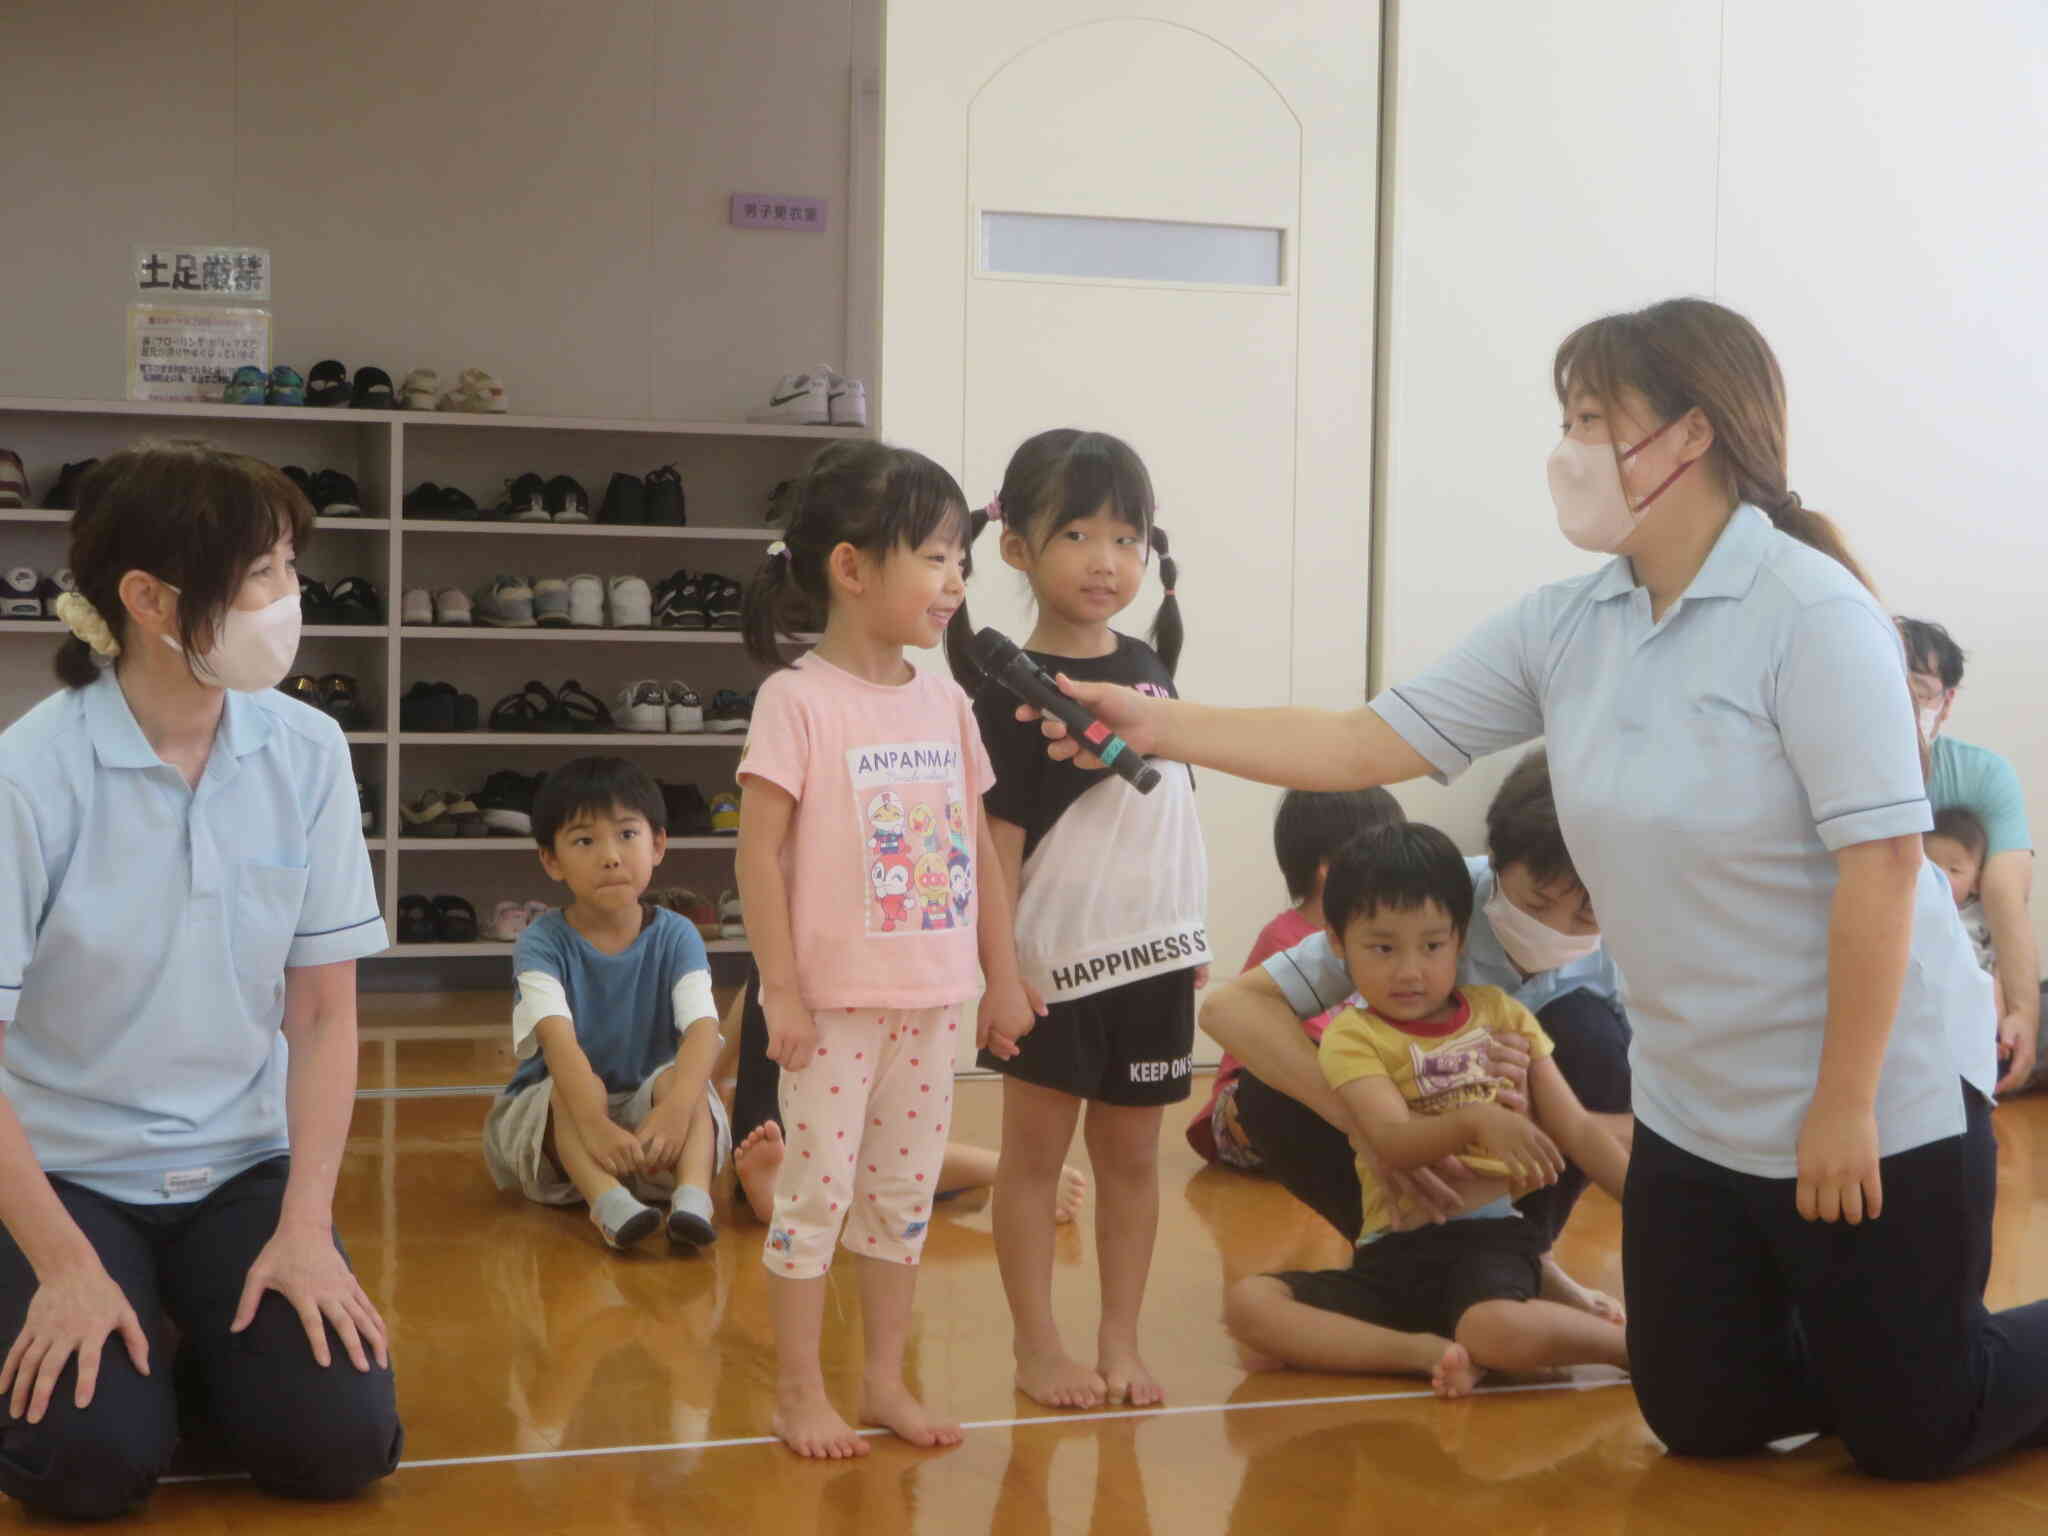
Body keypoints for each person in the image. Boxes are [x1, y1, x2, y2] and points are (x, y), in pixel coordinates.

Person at [1026, 298, 2048, 1480]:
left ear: (1689, 437)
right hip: (1701, 1107)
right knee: (1701, 1416)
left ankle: (1900, 1370)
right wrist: (1154, 720)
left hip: (1869, 1092)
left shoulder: (1812, 618)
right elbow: (1362, 743)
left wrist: (1844, 1104)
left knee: (1916, 1435)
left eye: (1590, 418)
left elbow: (1879, 868)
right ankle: (1871, 1354)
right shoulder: (1574, 625)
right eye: (1564, 417)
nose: (1566, 449)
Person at [0, 444, 400, 1520]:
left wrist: (307, 1227)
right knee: (86, 1469)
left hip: (239, 1165)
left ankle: (197, 1351)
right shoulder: (28, 776)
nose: (287, 598)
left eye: (287, 569)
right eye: (261, 572)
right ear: (147, 598)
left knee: (339, 1444)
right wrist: (62, 1266)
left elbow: (320, 1014)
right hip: (67, 1177)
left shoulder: (307, 751)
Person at [734, 440, 1038, 1459]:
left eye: (962, 561)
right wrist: (779, 991)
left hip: (934, 998)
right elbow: (758, 858)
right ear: (851, 568)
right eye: (934, 557)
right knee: (815, 1197)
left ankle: (880, 1381)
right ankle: (795, 1390)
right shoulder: (797, 700)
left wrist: (1001, 976)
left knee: (901, 1198)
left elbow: (981, 859)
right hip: (830, 1006)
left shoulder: (947, 702)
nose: (954, 582)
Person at [947, 429, 1209, 1412]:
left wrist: (1192, 935)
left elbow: (1170, 805)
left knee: (1136, 1162)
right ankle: (1036, 1347)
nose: (1106, 559)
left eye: (1125, 537)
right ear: (1014, 546)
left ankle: (1119, 1341)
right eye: (1077, 534)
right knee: (1032, 1163)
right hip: (1055, 970)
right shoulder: (1006, 688)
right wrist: (1000, 976)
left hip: (1154, 962)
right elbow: (996, 843)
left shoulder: (1147, 665)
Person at [1205, 751, 1631, 1301]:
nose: (1555, 928)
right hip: (1401, 1123)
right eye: (1536, 901)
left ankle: (1522, 1254)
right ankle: (1395, 1247)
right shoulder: (1429, 905)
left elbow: (1651, 1121)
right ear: (1495, 867)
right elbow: (1228, 1009)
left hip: (1517, 1143)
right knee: (1264, 1095)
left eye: (1586, 915)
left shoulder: (1636, 938)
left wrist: (1539, 1105)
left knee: (1588, 1036)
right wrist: (1374, 1131)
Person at [482, 756, 731, 1252]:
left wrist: (677, 1106)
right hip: (563, 1124)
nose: (611, 856)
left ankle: (692, 1200)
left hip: (649, 1124)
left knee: (685, 1082)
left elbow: (703, 1031)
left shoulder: (678, 935)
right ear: (551, 860)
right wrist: (595, 1125)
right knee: (567, 1091)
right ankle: (610, 1206)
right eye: (584, 841)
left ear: (658, 844)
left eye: (627, 835)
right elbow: (558, 1043)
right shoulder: (541, 942)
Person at [721, 964, 1089, 1225]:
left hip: (852, 1014)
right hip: (794, 1016)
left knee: (888, 1149)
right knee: (863, 1148)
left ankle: (1005, 1170)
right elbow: (761, 983)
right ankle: (1007, 1170)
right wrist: (708, 1082)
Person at [1186, 787, 1405, 1171]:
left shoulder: (1387, 939)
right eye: (1386, 856)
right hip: (1261, 1106)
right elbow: (1317, 1051)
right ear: (1329, 868)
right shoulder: (1286, 939)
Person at [1899, 616, 2040, 1094]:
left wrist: (2022, 1010)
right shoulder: (1820, 767)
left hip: (1963, 971)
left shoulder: (1982, 775)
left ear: (1946, 702)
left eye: (1918, 691)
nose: (1900, 703)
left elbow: (2006, 896)